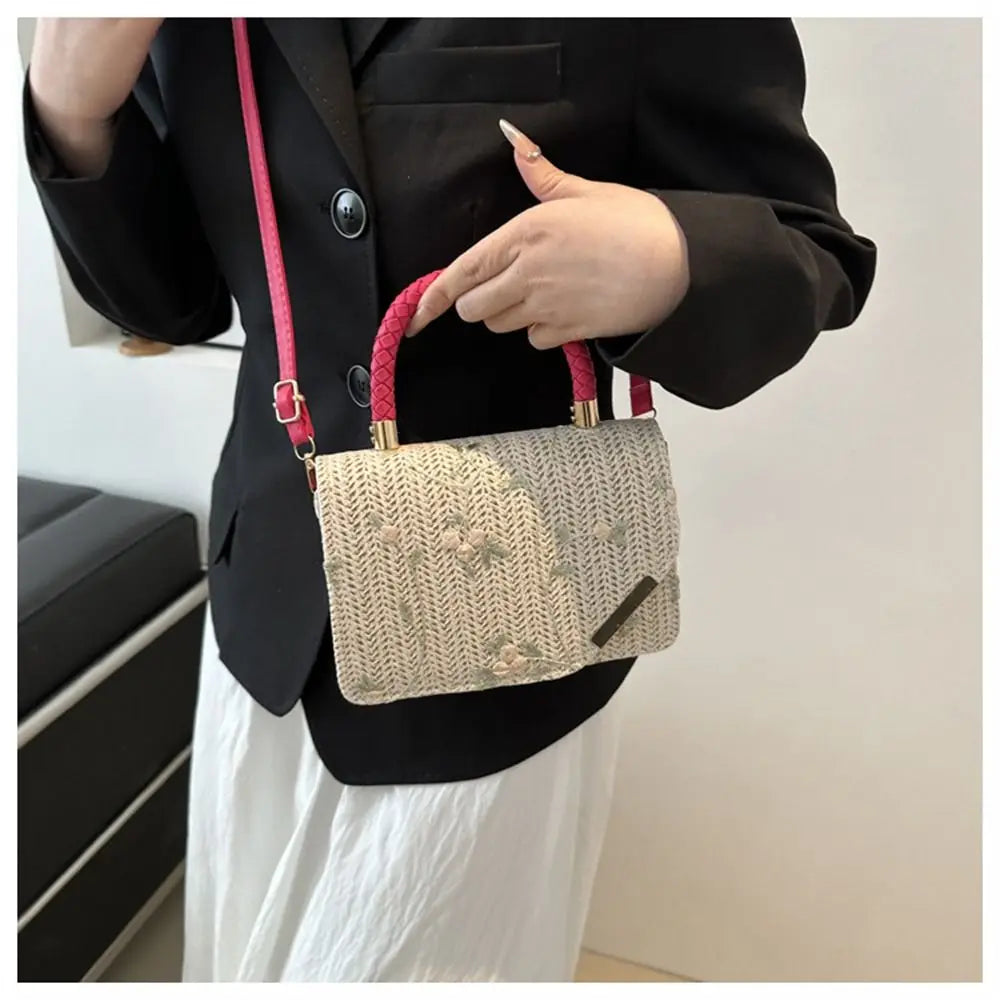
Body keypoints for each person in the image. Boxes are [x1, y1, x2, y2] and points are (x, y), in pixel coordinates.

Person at [24, 17, 877, 982]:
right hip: (268, 609)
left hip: (510, 639)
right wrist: (72, 107)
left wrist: (668, 259)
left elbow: (814, 252)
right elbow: (171, 300)